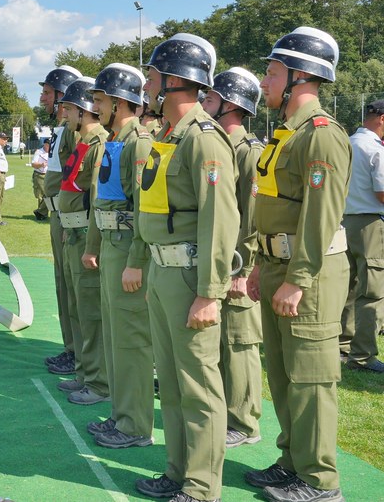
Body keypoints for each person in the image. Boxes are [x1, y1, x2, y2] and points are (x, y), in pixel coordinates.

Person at [245, 27, 350, 502]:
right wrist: (258, 264)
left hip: (309, 274)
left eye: (271, 73)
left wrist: (298, 279)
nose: (263, 81)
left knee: (310, 379)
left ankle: (319, 481)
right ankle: (292, 462)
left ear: (299, 77)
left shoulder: (322, 136)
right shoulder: (286, 133)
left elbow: (320, 217)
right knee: (284, 375)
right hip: (276, 266)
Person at [136, 34, 239, 502]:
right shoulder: (169, 135)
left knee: (199, 386)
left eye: (153, 75)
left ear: (174, 81)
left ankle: (200, 487)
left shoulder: (204, 138)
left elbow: (221, 219)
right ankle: (178, 472)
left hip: (189, 277)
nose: (147, 84)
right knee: (174, 385)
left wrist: (209, 292)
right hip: (164, 274)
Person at [83, 63, 155, 448]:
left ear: (119, 102)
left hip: (128, 247)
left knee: (131, 342)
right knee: (115, 338)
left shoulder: (138, 143)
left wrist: (136, 262)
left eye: (99, 100)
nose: (94, 108)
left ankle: (135, 425)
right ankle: (121, 414)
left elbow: (145, 207)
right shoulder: (116, 140)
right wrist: (96, 246)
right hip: (113, 245)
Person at [202, 67, 265, 449]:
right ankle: (228, 413)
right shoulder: (221, 146)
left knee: (240, 342)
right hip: (221, 264)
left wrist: (246, 267)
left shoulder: (247, 151)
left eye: (210, 99)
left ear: (232, 104)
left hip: (239, 267)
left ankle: (244, 422)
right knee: (223, 342)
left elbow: (252, 217)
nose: (203, 103)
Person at [56, 76, 111, 405]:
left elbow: (98, 198)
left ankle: (99, 381)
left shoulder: (98, 143)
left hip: (86, 236)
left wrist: (92, 243)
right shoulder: (82, 142)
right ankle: (84, 373)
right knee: (78, 310)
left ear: (83, 110)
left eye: (69, 108)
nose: (64, 114)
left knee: (91, 314)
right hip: (73, 234)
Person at [39, 66, 83, 376]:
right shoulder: (60, 129)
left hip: (69, 216)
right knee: (63, 285)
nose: (42, 98)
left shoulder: (72, 131)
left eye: (47, 93)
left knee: (73, 288)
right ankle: (72, 348)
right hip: (58, 213)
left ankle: (79, 352)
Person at [339, 99, 384, 373]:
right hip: (370, 224)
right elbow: (382, 193)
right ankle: (363, 355)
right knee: (372, 291)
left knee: (349, 287)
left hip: (345, 221)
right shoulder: (375, 148)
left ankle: (343, 346)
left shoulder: (348, 142)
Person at [31, 139, 50, 220]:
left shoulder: (51, 152)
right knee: (41, 195)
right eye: (47, 145)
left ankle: (41, 212)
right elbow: (33, 164)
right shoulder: (39, 152)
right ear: (44, 144)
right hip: (40, 175)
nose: (49, 147)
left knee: (47, 194)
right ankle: (42, 214)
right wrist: (41, 164)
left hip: (49, 174)